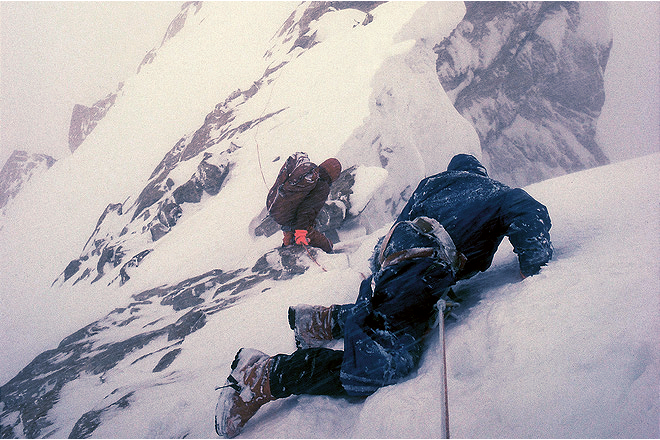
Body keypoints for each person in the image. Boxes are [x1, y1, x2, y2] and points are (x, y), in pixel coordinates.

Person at [215, 154, 553, 438]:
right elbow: (530, 216)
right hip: (422, 267)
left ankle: (318, 322)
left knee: (385, 312)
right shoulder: (500, 194)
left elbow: (402, 222)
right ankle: (264, 376)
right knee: (380, 365)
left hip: (396, 256)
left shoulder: (434, 183)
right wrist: (532, 266)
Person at [266, 152, 342, 253]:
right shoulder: (322, 186)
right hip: (299, 224)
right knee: (327, 245)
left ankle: (289, 239)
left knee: (299, 229)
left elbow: (294, 203)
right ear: (334, 175)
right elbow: (307, 209)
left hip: (278, 212)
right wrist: (301, 232)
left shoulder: (310, 178)